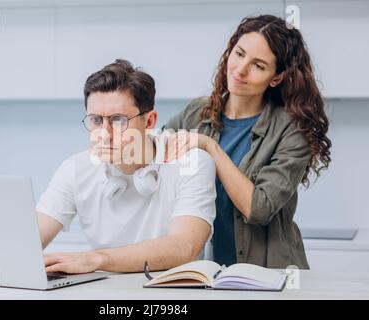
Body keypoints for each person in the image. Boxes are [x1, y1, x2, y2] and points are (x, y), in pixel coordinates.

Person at [163, 15, 332, 269]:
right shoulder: (197, 113)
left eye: (258, 66)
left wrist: (210, 147)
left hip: (268, 272)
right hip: (203, 271)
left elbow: (259, 208)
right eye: (239, 54)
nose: (241, 69)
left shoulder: (292, 130)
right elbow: (157, 151)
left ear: (276, 78)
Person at [36, 59, 217, 274]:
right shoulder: (75, 169)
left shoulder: (191, 163)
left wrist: (95, 259)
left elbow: (184, 247)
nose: (104, 134)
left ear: (149, 121)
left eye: (118, 120)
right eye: (95, 120)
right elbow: (27, 242)